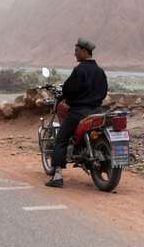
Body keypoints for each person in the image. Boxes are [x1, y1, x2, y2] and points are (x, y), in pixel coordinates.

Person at [46, 38, 108, 188]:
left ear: (84, 52)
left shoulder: (79, 70)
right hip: (97, 111)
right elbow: (104, 91)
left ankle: (57, 176)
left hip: (79, 112)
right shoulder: (100, 72)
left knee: (61, 138)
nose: (75, 54)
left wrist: (63, 98)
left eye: (76, 51)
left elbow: (68, 89)